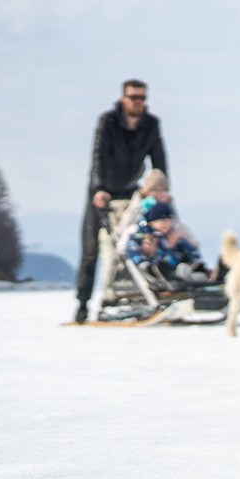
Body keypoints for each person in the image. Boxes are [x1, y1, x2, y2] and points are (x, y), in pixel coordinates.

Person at [73, 79, 168, 323]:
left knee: (138, 241)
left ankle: (152, 292)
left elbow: (159, 161)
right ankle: (83, 305)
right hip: (102, 190)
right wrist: (99, 188)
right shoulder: (108, 122)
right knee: (91, 249)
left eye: (142, 98)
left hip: (131, 191)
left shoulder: (151, 125)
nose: (139, 102)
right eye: (134, 97)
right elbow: (98, 157)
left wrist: (161, 191)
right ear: (123, 98)